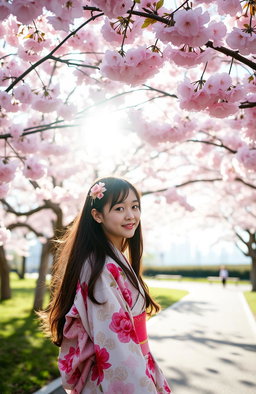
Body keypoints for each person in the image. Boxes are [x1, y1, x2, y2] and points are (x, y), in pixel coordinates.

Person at [39, 177, 171, 393]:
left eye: (135, 207)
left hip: (136, 360)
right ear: (97, 215)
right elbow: (115, 345)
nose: (131, 215)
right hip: (118, 373)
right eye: (119, 208)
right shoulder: (100, 269)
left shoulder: (111, 260)